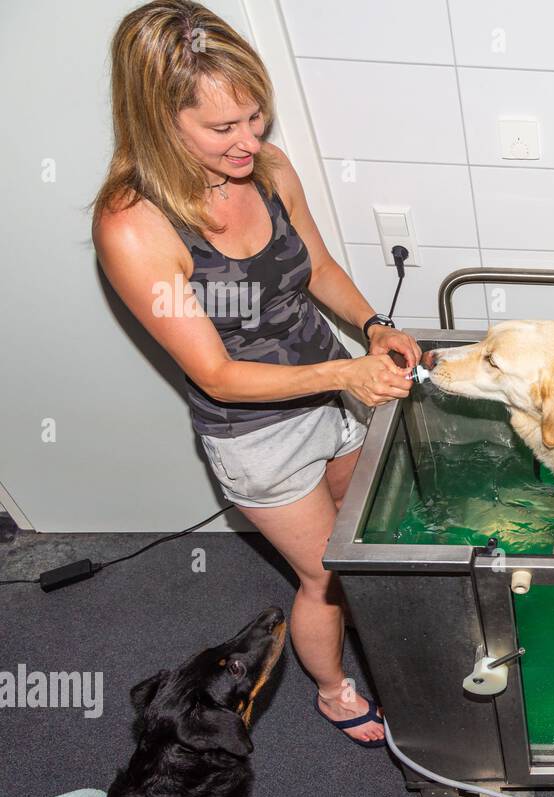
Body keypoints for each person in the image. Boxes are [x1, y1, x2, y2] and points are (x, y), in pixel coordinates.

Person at [93, 0, 415, 746]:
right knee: (327, 575)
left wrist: (373, 328)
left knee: (361, 543)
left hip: (331, 391)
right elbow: (217, 374)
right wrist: (347, 372)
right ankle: (335, 692)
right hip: (256, 434)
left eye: (255, 118)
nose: (250, 141)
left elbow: (319, 268)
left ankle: (378, 647)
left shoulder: (266, 169)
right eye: (222, 129)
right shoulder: (133, 225)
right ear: (157, 118)